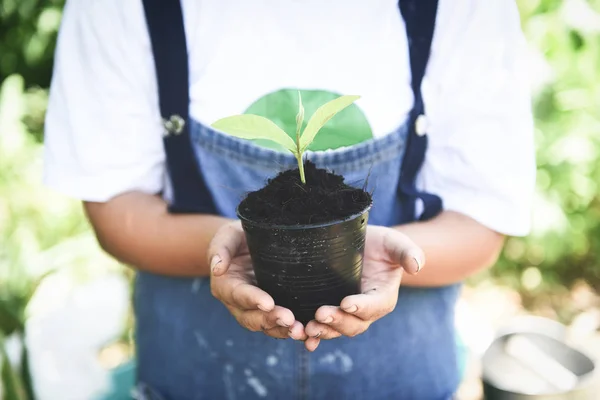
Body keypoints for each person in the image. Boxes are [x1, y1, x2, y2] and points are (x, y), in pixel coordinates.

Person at [43, 0, 536, 398]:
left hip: (399, 378)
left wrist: (373, 254)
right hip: (195, 375)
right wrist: (224, 250)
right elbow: (116, 210)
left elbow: (482, 220)